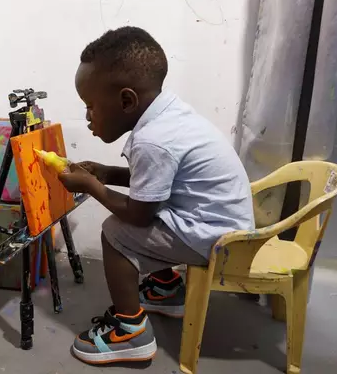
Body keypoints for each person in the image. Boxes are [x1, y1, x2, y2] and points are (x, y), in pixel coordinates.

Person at [58, 26, 255, 364]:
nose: (87, 116)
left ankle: (130, 332)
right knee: (151, 215)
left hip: (219, 238)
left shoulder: (153, 140)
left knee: (115, 232)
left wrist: (92, 187)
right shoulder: (168, 115)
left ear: (126, 100)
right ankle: (165, 289)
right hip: (221, 223)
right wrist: (107, 173)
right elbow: (156, 184)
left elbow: (138, 214)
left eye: (91, 106)